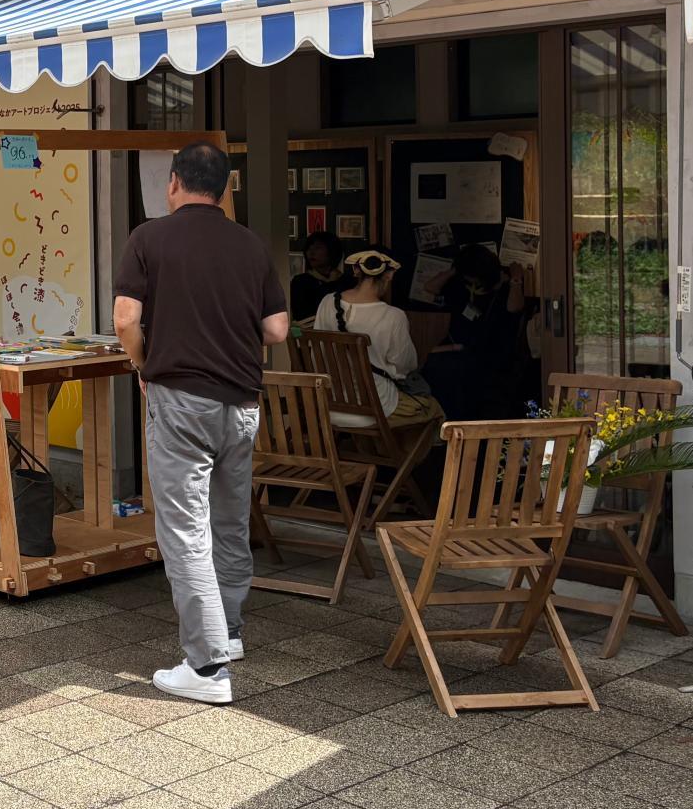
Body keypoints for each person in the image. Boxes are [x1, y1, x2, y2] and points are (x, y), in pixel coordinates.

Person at [114, 142, 289, 706]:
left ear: (173, 183)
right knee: (230, 522)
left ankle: (207, 666)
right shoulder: (250, 245)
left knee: (185, 528)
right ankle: (229, 632)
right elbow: (277, 330)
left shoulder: (148, 238)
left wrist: (143, 365)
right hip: (242, 403)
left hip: (180, 399)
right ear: (226, 187)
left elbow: (125, 319)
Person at [313, 247, 445, 435]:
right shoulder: (393, 316)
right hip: (375, 407)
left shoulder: (327, 302)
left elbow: (317, 353)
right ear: (390, 274)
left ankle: (371, 450)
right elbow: (406, 366)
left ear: (356, 270)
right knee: (433, 410)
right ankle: (395, 454)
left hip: (329, 404)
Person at [422, 243, 531, 419]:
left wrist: (516, 279)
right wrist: (453, 270)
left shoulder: (504, 286)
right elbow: (430, 287)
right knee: (438, 371)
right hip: (456, 350)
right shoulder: (461, 285)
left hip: (488, 357)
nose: (472, 282)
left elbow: (514, 307)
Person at [289, 230, 345, 322]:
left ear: (332, 251)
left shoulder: (347, 281)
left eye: (318, 248)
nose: (311, 252)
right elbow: (301, 315)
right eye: (309, 248)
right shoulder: (300, 282)